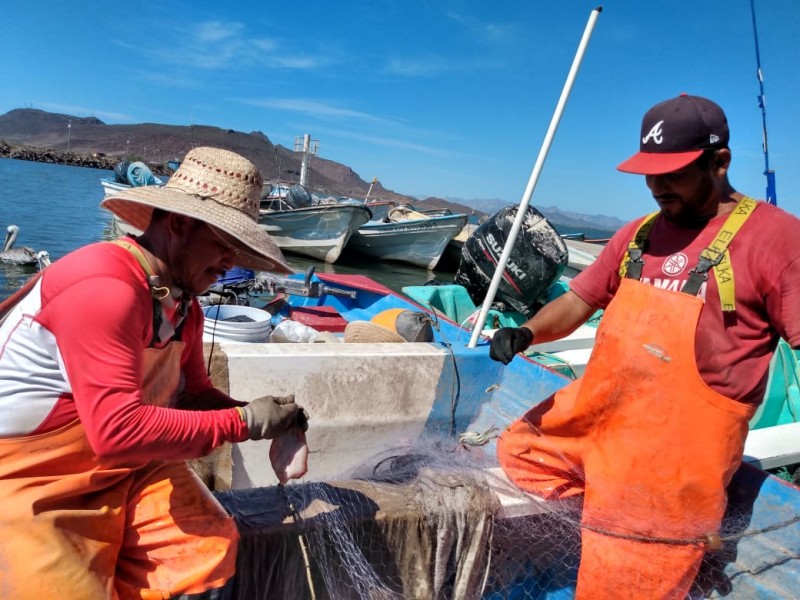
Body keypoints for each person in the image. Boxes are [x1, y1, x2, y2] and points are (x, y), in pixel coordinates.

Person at [488, 94, 800, 598]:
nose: (656, 188)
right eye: (649, 174)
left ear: (719, 162)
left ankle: (654, 540)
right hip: (600, 425)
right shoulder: (638, 235)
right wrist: (527, 332)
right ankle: (605, 508)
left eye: (671, 174)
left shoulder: (778, 240)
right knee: (519, 450)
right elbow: (578, 301)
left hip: (673, 462)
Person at [0, 147, 308, 599]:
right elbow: (116, 430)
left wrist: (266, 418)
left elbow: (191, 395)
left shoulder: (185, 305)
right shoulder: (106, 288)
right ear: (179, 224)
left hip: (124, 466)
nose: (231, 263)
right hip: (28, 475)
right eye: (225, 245)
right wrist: (245, 423)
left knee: (205, 548)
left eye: (239, 250)